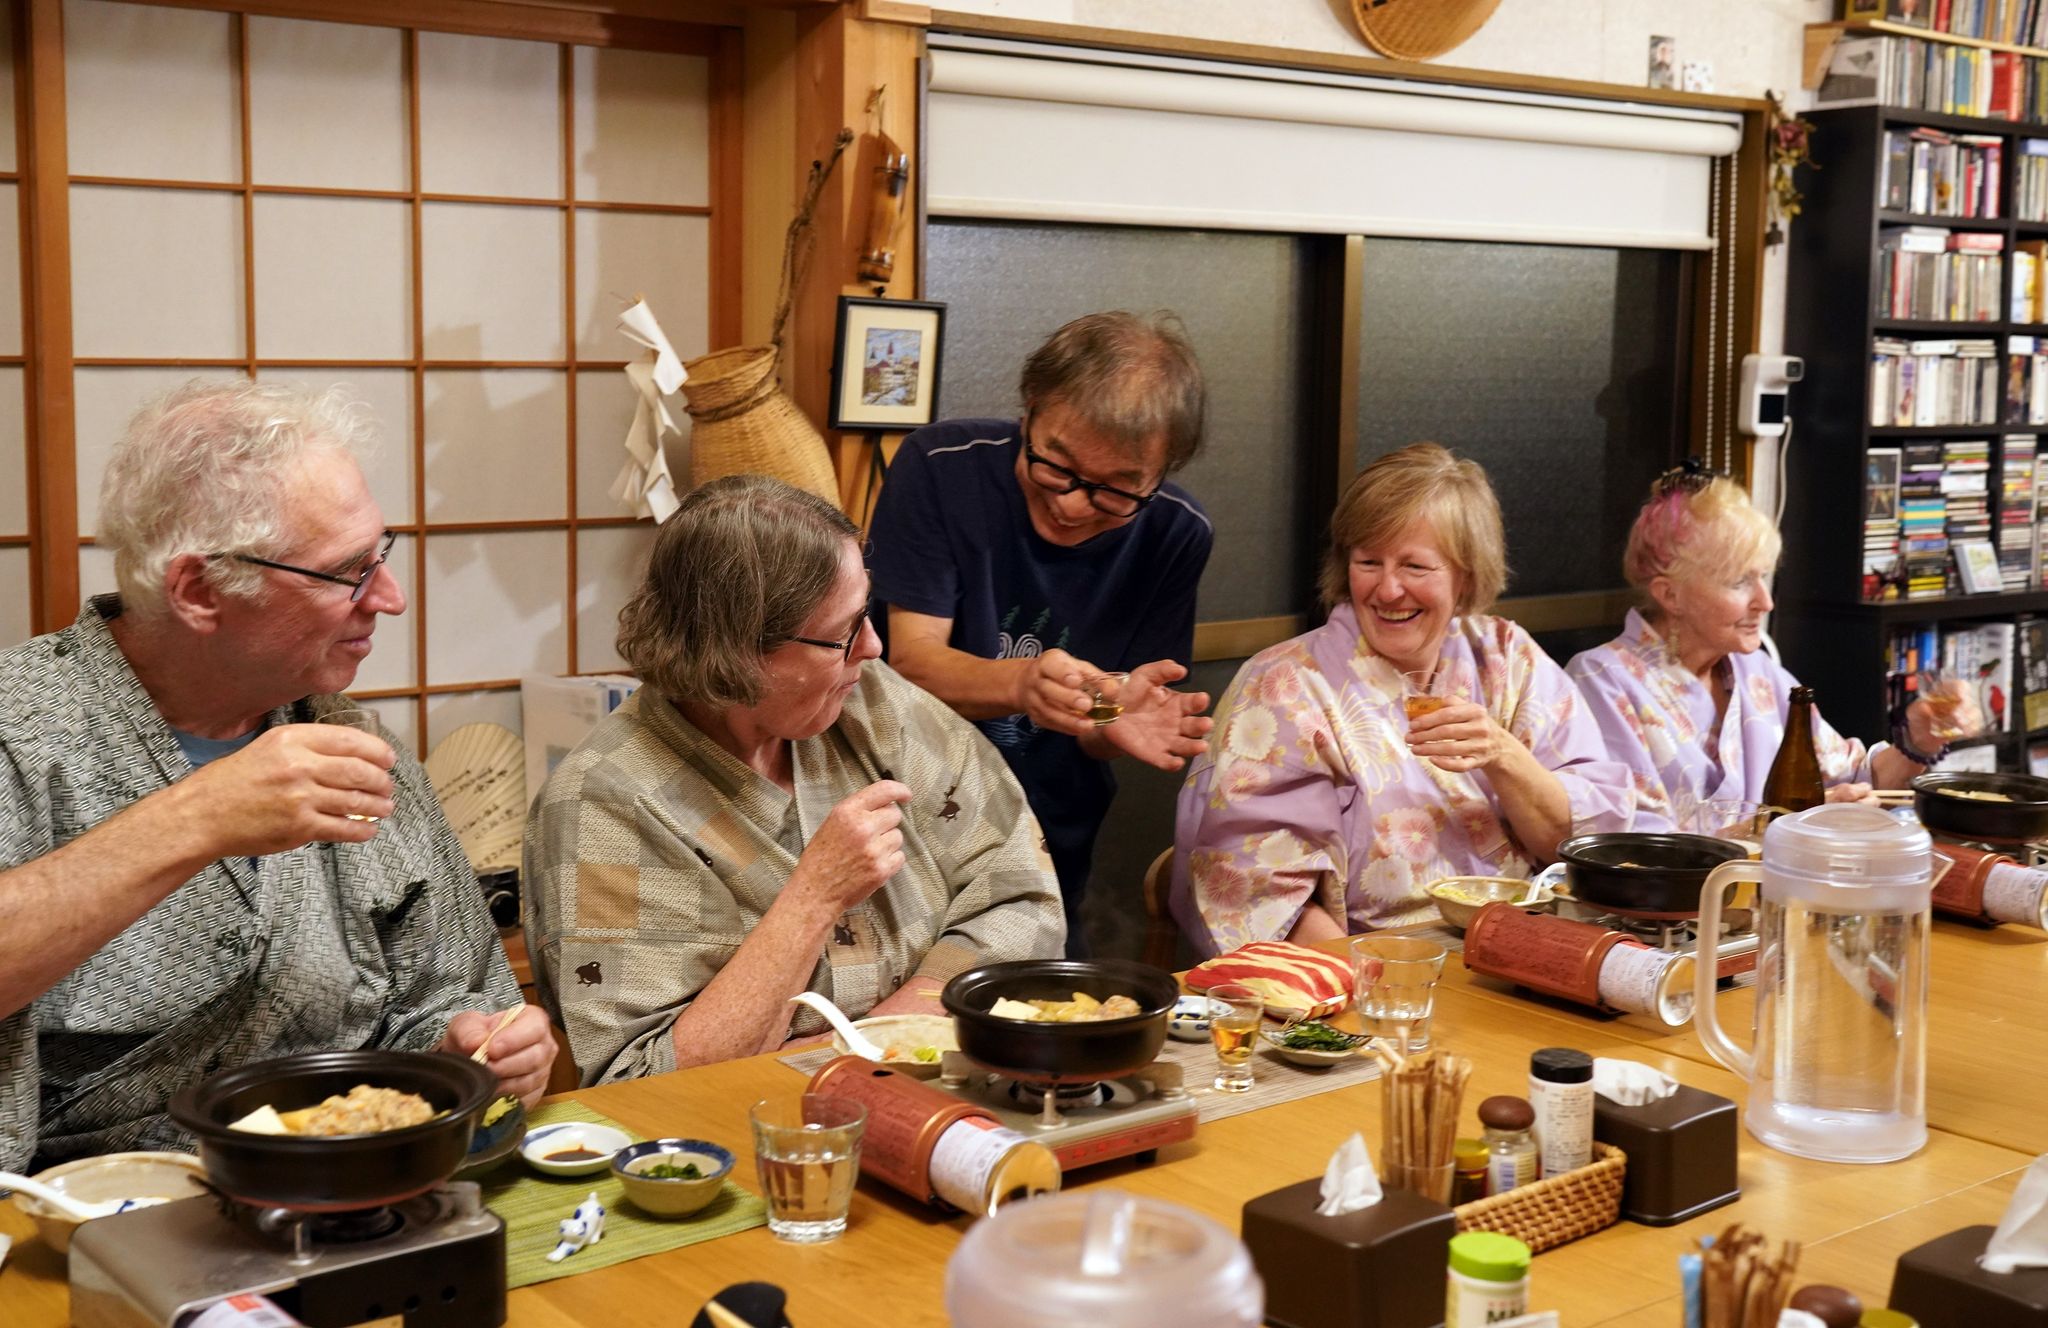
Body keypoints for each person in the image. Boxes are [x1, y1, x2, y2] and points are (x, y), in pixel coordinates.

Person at [0, 380, 554, 1172]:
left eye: (382, 556)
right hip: (86, 1223)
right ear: (198, 590)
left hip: (355, 1190)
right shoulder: (19, 728)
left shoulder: (346, 737)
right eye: (346, 572)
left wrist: (475, 1049)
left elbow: (460, 995)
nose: (390, 599)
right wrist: (196, 818)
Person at [524, 475, 1065, 1083]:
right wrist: (816, 896)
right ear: (738, 651)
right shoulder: (606, 803)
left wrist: (901, 1028)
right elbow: (642, 1081)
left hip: (939, 1086)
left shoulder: (871, 705)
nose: (874, 646)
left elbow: (1020, 892)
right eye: (844, 632)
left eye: (867, 613)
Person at [1171, 443, 1630, 954]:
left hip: (1526, 954)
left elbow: (1586, 849)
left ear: (1467, 576)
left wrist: (1504, 757)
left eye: (1415, 567)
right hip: (1375, 974)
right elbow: (1262, 895)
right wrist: (1378, 990)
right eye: (1368, 561)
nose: (1388, 590)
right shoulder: (1287, 685)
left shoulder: (1506, 658)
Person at [865, 311, 1215, 955]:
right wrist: (1025, 683)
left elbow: (1106, 724)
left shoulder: (1175, 533)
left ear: (1161, 474)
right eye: (1056, 465)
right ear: (1029, 414)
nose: (1074, 503)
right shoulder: (942, 469)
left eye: (1116, 491)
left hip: (1050, 834)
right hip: (910, 822)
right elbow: (911, 663)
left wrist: (1110, 717)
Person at [1567, 469, 1974, 830]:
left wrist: (1918, 742)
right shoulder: (1602, 682)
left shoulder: (1759, 674)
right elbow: (1630, 850)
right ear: (1670, 594)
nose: (1766, 601)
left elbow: (1853, 784)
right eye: (1739, 582)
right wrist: (1778, 825)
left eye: (1764, 577)